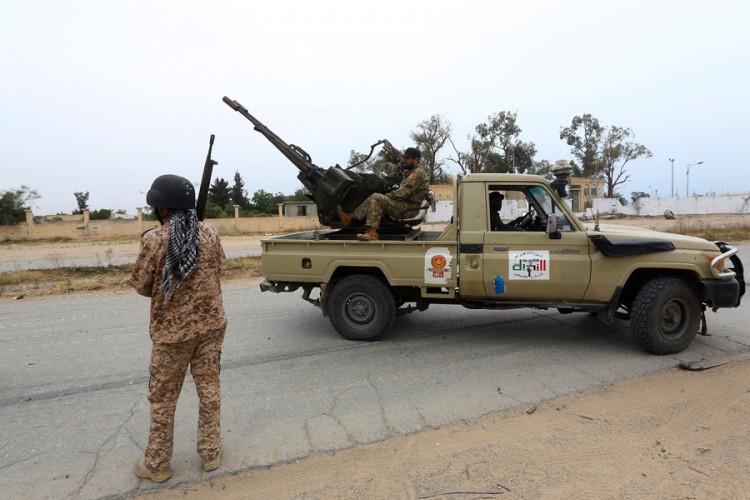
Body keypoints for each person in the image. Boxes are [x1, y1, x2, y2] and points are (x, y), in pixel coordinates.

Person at [130, 174, 228, 483]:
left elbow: (142, 285)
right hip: (212, 325)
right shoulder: (210, 233)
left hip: (172, 335)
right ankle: (210, 453)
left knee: (162, 398)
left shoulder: (155, 239)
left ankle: (157, 464)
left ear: (162, 207)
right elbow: (218, 269)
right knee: (209, 389)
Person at [337, 147, 429, 241]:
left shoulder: (417, 173)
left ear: (416, 159)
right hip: (407, 206)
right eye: (404, 158)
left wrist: (387, 195)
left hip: (409, 209)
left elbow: (403, 193)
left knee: (377, 198)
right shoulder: (412, 172)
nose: (404, 161)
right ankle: (351, 217)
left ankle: (372, 233)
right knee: (375, 196)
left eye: (407, 158)